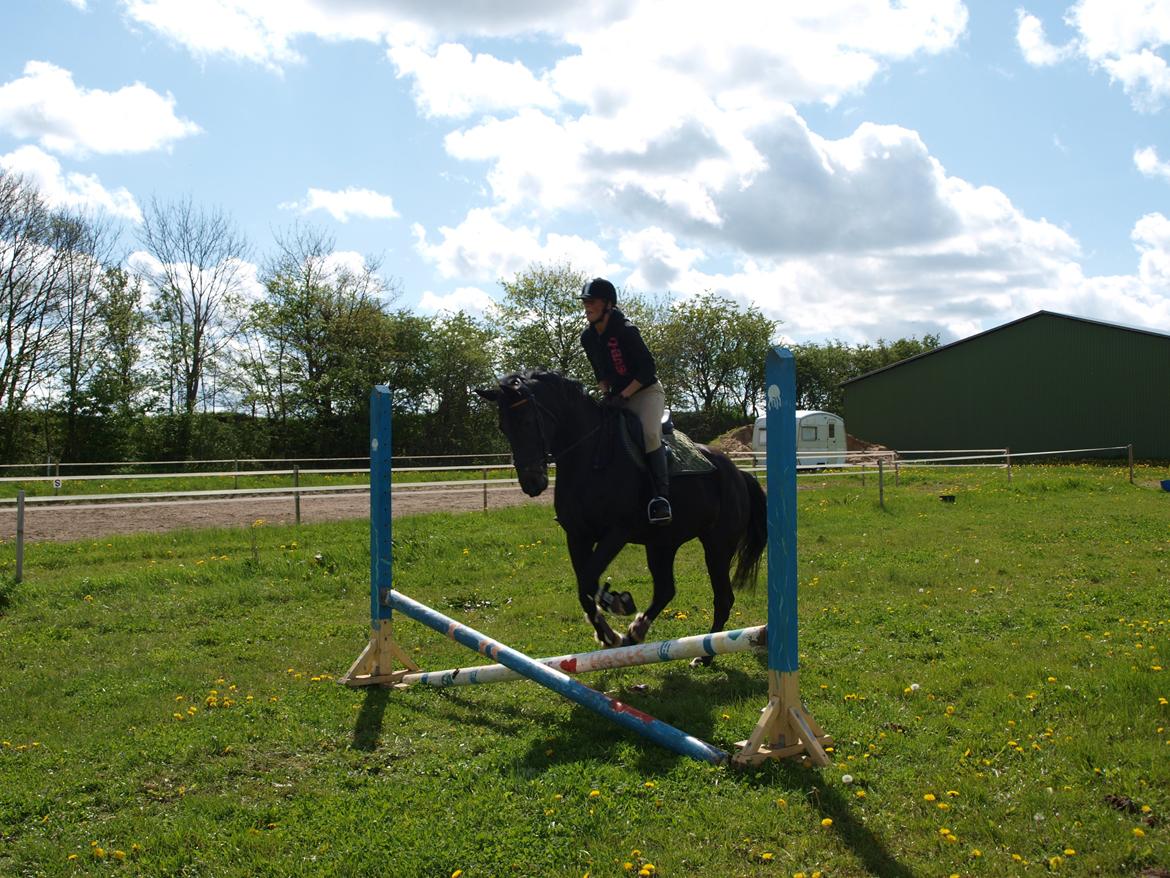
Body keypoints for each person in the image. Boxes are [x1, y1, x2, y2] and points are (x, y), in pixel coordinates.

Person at [578, 277, 671, 525]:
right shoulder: (587, 338)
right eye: (585, 302)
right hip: (617, 396)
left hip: (645, 392)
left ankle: (661, 498)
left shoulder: (627, 330)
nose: (587, 306)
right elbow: (601, 373)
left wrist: (624, 395)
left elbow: (648, 370)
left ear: (608, 305)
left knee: (650, 434)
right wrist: (607, 394)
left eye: (592, 302)